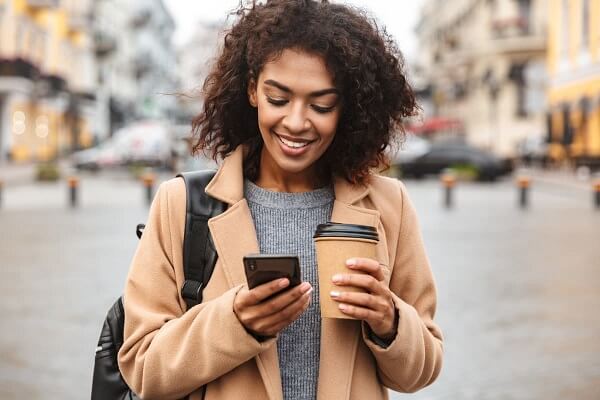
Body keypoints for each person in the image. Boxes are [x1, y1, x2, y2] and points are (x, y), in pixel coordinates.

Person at [118, 1, 444, 399]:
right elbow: (142, 367)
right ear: (253, 88)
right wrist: (236, 322)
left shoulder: (389, 204)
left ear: (347, 107)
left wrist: (391, 321)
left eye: (321, 105)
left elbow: (421, 371)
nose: (295, 122)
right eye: (278, 98)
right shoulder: (181, 205)